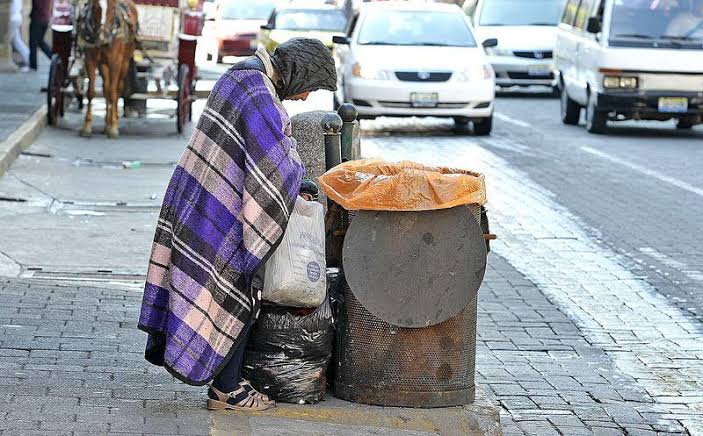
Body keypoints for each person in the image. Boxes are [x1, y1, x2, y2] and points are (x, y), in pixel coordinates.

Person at [137, 38, 337, 411]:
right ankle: (227, 390)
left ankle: (228, 382)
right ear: (298, 73)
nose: (306, 97)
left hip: (201, 194)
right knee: (238, 291)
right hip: (219, 208)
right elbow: (273, 166)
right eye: (309, 86)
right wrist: (301, 184)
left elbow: (262, 155)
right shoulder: (259, 92)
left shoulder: (242, 75)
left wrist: (297, 182)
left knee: (220, 291)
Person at [29, 0, 53, 70]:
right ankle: (54, 58)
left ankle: (33, 65)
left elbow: (38, 5)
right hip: (44, 18)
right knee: (39, 41)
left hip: (38, 18)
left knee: (33, 42)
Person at [10, 0, 30, 71]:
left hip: (12, 19)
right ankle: (29, 59)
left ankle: (29, 60)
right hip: (16, 18)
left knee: (10, 41)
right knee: (17, 42)